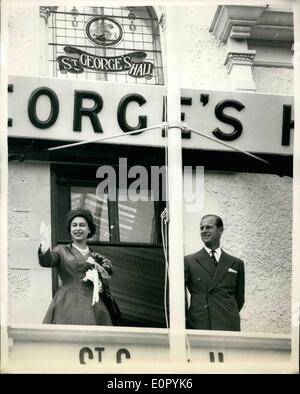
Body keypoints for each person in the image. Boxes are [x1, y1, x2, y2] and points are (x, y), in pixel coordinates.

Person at [38, 208, 114, 326]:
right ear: (70, 229)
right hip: (66, 303)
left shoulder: (98, 258)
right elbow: (47, 261)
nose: (78, 228)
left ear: (89, 230)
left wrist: (100, 282)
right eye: (74, 225)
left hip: (93, 305)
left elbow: (105, 286)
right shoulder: (61, 251)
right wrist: (45, 244)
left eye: (82, 225)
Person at [184, 214, 245, 331]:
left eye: (209, 227)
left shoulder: (236, 263)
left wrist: (227, 313)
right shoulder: (189, 261)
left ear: (220, 230)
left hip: (228, 324)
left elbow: (239, 299)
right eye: (201, 228)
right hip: (200, 323)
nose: (204, 231)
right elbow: (181, 298)